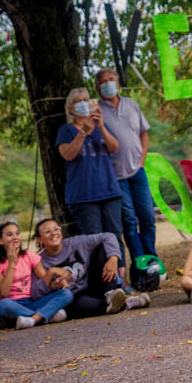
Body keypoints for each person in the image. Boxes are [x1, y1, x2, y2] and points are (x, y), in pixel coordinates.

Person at [95, 69, 158, 266]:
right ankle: (140, 262)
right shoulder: (97, 110)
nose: (108, 83)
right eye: (103, 81)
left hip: (138, 171)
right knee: (129, 222)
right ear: (97, 87)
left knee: (147, 217)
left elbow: (144, 133)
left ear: (117, 83)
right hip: (115, 177)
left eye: (111, 79)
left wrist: (142, 160)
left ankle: (152, 260)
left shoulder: (131, 104)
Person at [56, 87, 125, 262]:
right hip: (83, 196)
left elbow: (114, 148)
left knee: (115, 236)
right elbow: (68, 155)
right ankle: (103, 277)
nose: (83, 104)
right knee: (95, 241)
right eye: (78, 101)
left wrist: (100, 126)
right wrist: (82, 132)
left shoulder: (101, 126)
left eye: (86, 100)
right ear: (70, 108)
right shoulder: (66, 130)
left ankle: (120, 275)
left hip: (109, 191)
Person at [32, 218, 149, 317]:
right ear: (39, 239)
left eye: (56, 229)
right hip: (72, 297)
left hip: (92, 284)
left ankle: (110, 293)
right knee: (82, 306)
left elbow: (108, 236)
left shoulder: (76, 242)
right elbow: (36, 293)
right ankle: (127, 303)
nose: (53, 233)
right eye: (48, 231)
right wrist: (51, 275)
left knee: (102, 248)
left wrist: (113, 258)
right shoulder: (38, 261)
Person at [0, 221, 72, 329]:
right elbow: (3, 293)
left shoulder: (28, 256)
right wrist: (11, 264)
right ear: (0, 240)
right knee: (3, 304)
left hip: (32, 301)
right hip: (12, 304)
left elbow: (45, 281)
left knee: (66, 293)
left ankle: (32, 320)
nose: (15, 237)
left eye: (17, 233)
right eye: (9, 235)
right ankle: (45, 316)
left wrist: (55, 278)